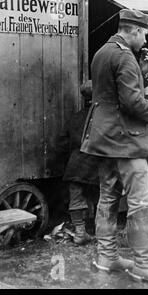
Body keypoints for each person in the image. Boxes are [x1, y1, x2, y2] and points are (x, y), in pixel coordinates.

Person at [80, 8, 148, 286]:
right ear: (133, 30)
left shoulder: (104, 52)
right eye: (144, 33)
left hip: (104, 139)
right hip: (126, 141)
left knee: (108, 197)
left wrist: (142, 71)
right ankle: (145, 266)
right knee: (141, 200)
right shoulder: (124, 56)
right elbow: (133, 103)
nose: (145, 39)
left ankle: (106, 257)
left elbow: (106, 92)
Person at [58, 80, 99, 245]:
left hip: (75, 165)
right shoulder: (103, 118)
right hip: (95, 165)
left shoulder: (75, 117)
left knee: (76, 198)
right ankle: (101, 232)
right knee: (101, 198)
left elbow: (61, 143)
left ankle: (80, 233)